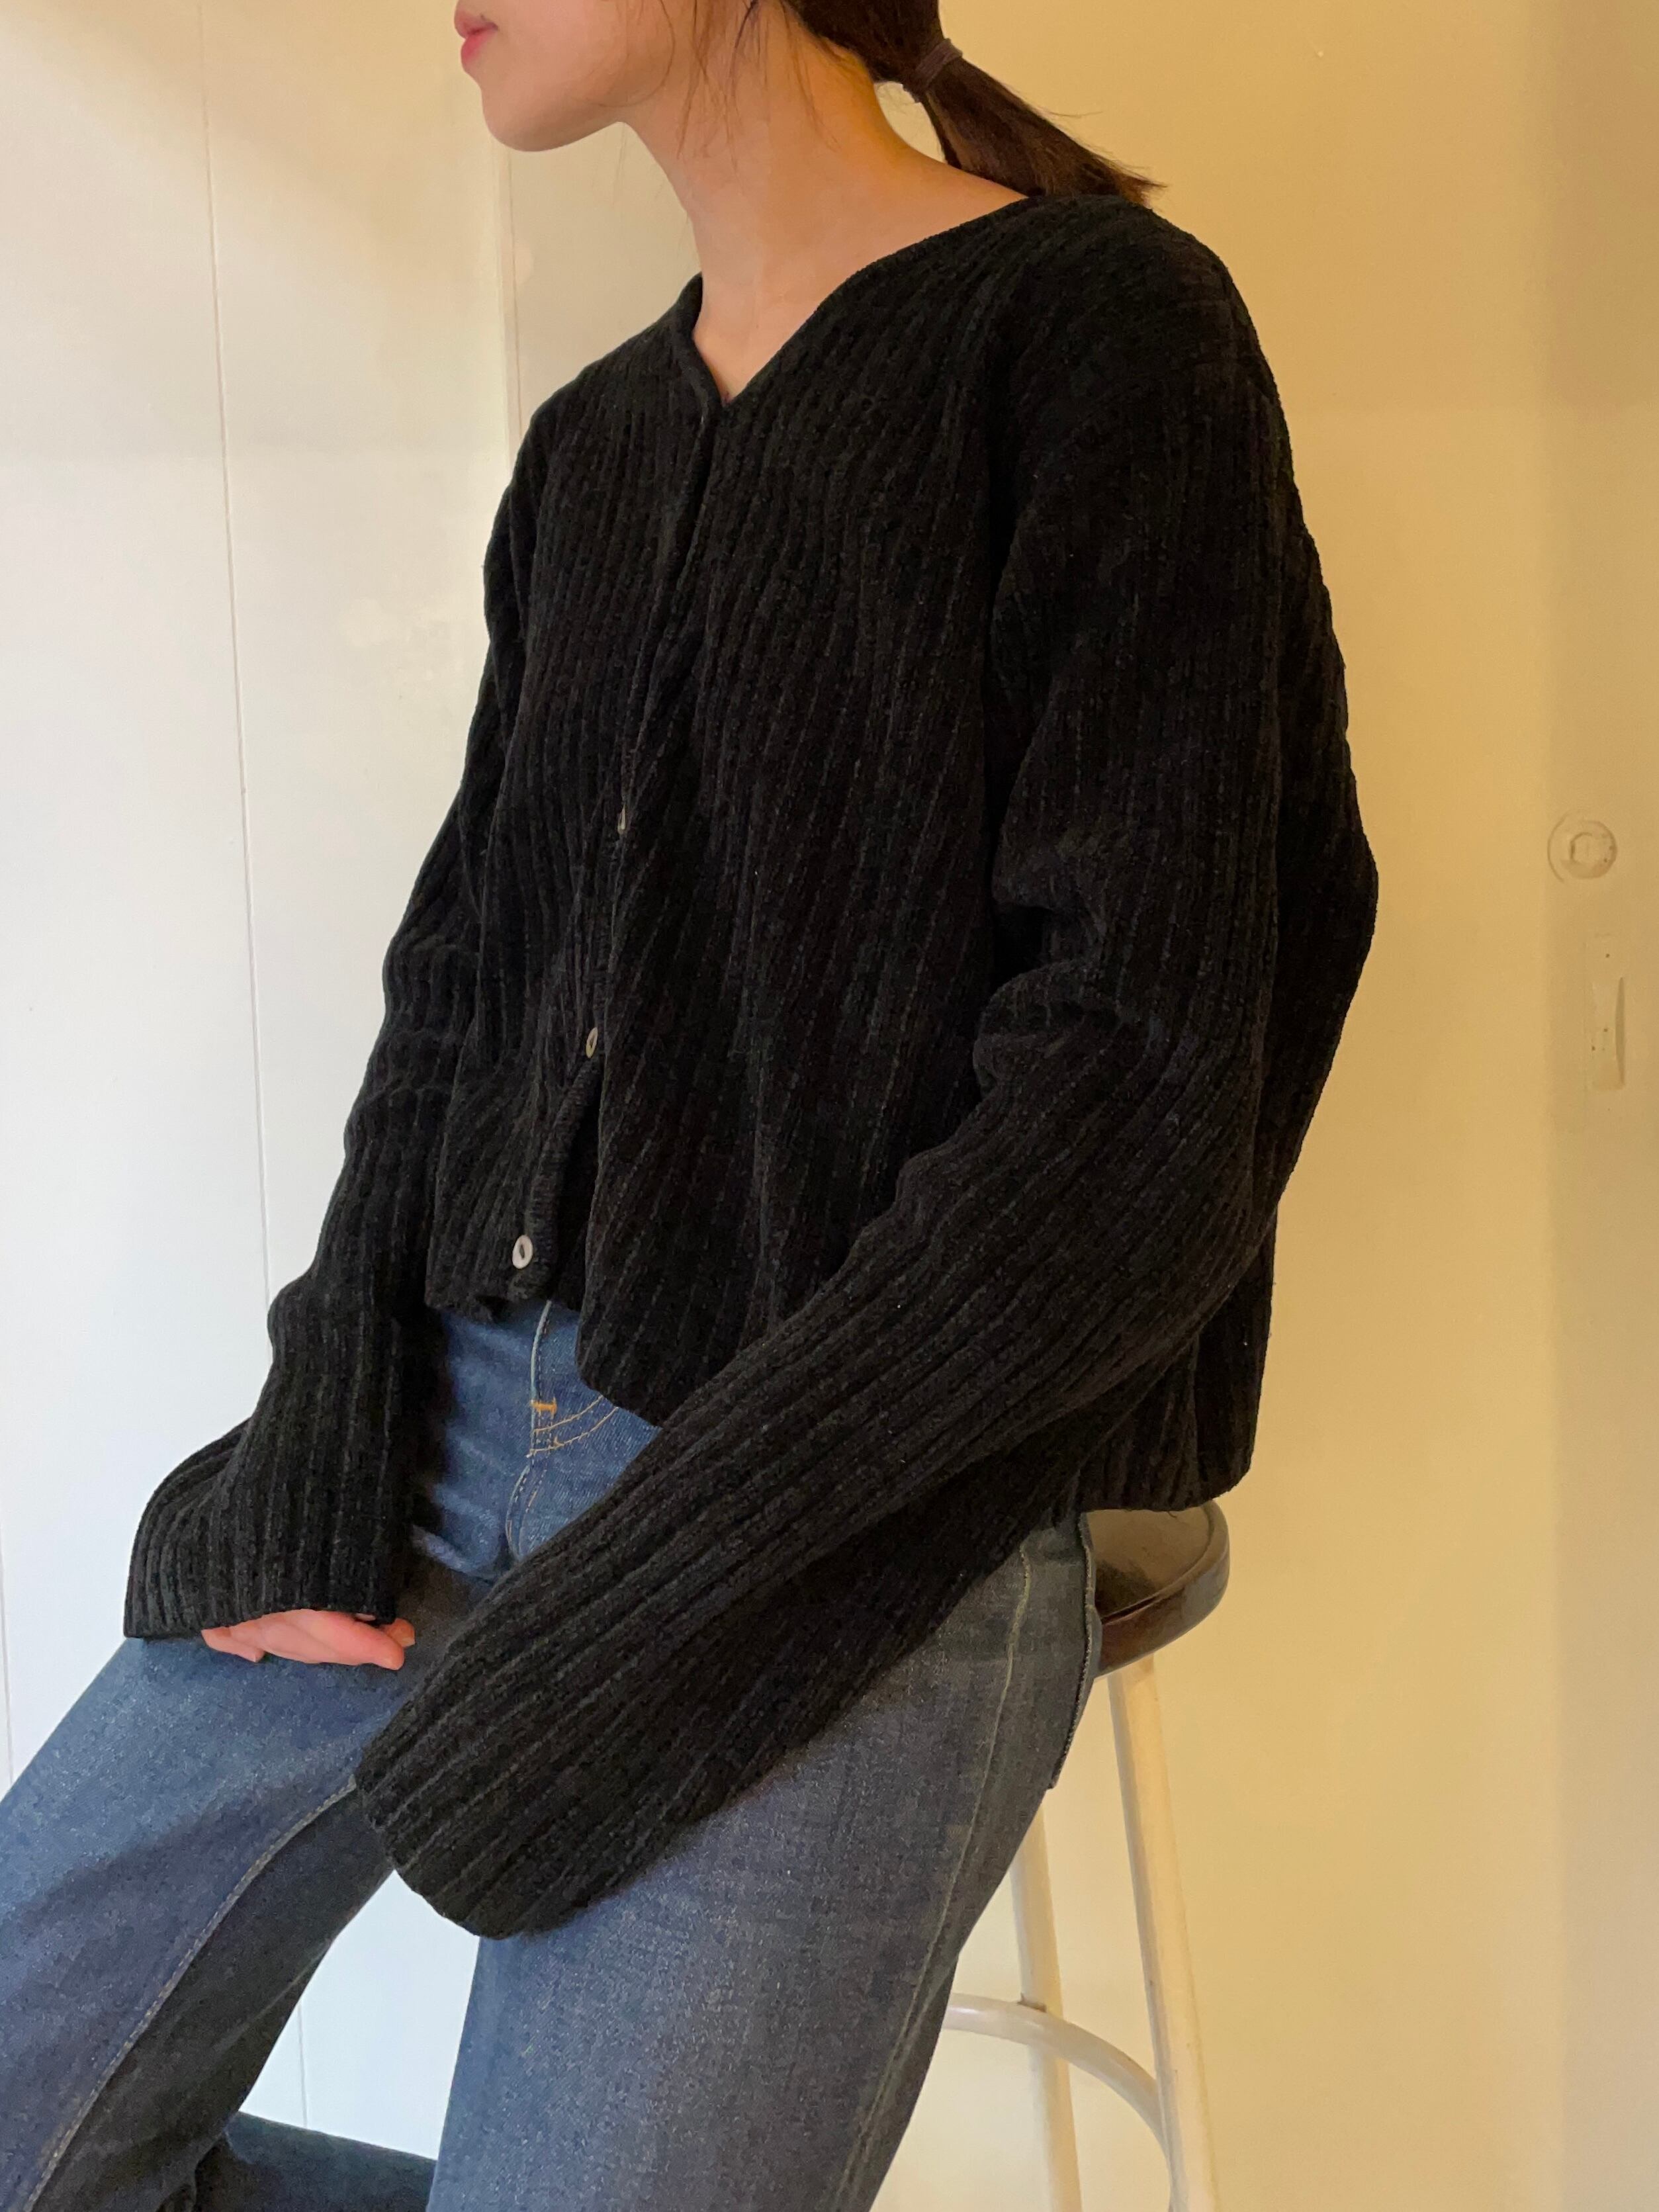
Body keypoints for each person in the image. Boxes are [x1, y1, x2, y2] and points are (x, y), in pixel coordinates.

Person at [0, 0, 1378, 2205]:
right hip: (449, 1423)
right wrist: (324, 1436)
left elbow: (1139, 1092)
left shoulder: (1096, 331)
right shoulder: (600, 443)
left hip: (857, 1496)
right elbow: (465, 992)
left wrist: (663, 1593)